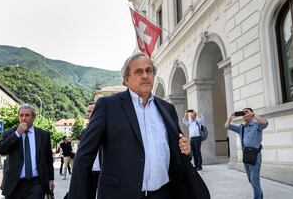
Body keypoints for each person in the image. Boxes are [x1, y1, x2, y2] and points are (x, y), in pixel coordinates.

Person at [68, 53, 210, 199]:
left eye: (149, 71)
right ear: (126, 79)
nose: (145, 75)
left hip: (162, 194)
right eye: (138, 72)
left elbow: (178, 151)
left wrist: (186, 150)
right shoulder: (108, 106)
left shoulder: (167, 109)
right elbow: (84, 157)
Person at [0, 104, 54, 199]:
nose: (24, 118)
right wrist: (17, 134)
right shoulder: (9, 133)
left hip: (36, 183)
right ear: (18, 117)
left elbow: (48, 158)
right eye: (21, 115)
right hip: (14, 184)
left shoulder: (43, 135)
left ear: (33, 117)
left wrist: (51, 179)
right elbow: (1, 150)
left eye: (27, 115)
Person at [225, 108, 268, 199]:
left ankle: (257, 197)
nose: (244, 114)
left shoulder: (257, 126)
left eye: (246, 112)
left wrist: (253, 114)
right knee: (250, 179)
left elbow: (265, 123)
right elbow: (227, 126)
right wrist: (230, 118)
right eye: (243, 113)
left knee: (254, 179)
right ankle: (260, 195)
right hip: (246, 155)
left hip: (255, 155)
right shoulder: (241, 127)